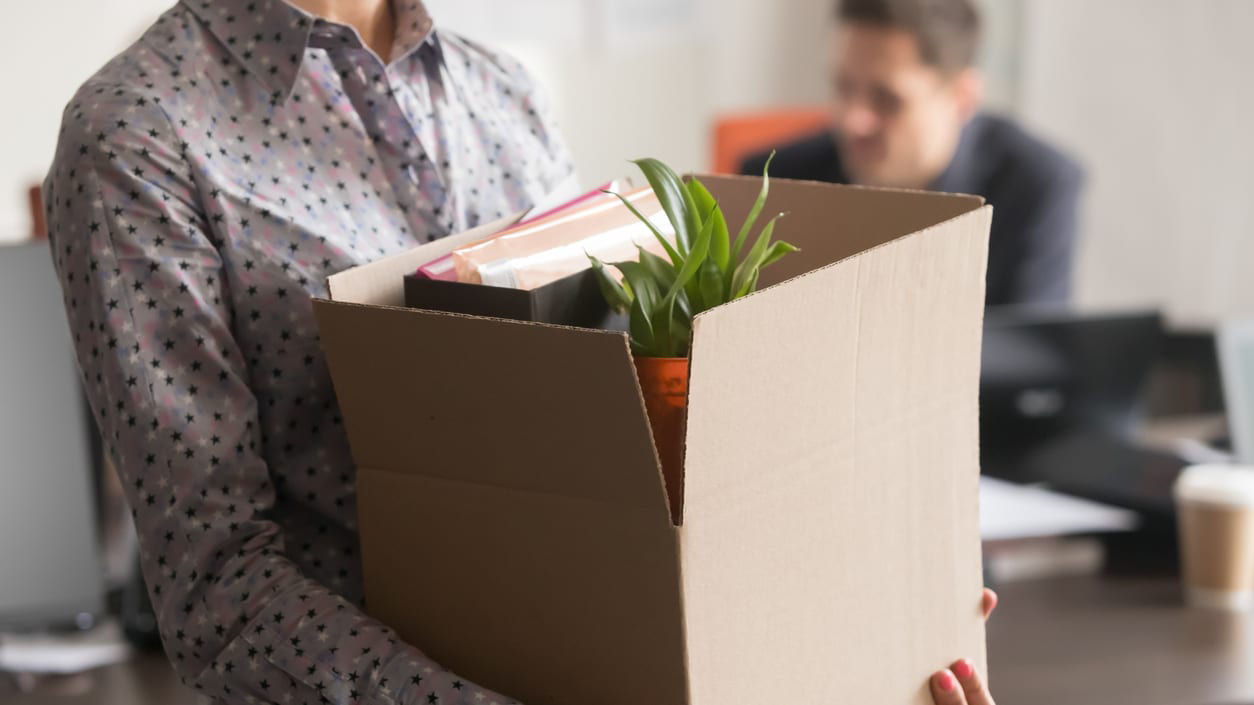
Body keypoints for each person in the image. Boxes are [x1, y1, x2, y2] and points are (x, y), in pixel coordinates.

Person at [43, 1, 996, 702]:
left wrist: (857, 620)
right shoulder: (140, 133)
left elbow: (617, 473)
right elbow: (219, 589)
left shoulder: (506, 94)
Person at [742, 0, 1084, 308]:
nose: (852, 121)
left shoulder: (1037, 184)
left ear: (962, 97)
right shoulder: (773, 181)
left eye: (887, 99)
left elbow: (1033, 363)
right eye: (843, 86)